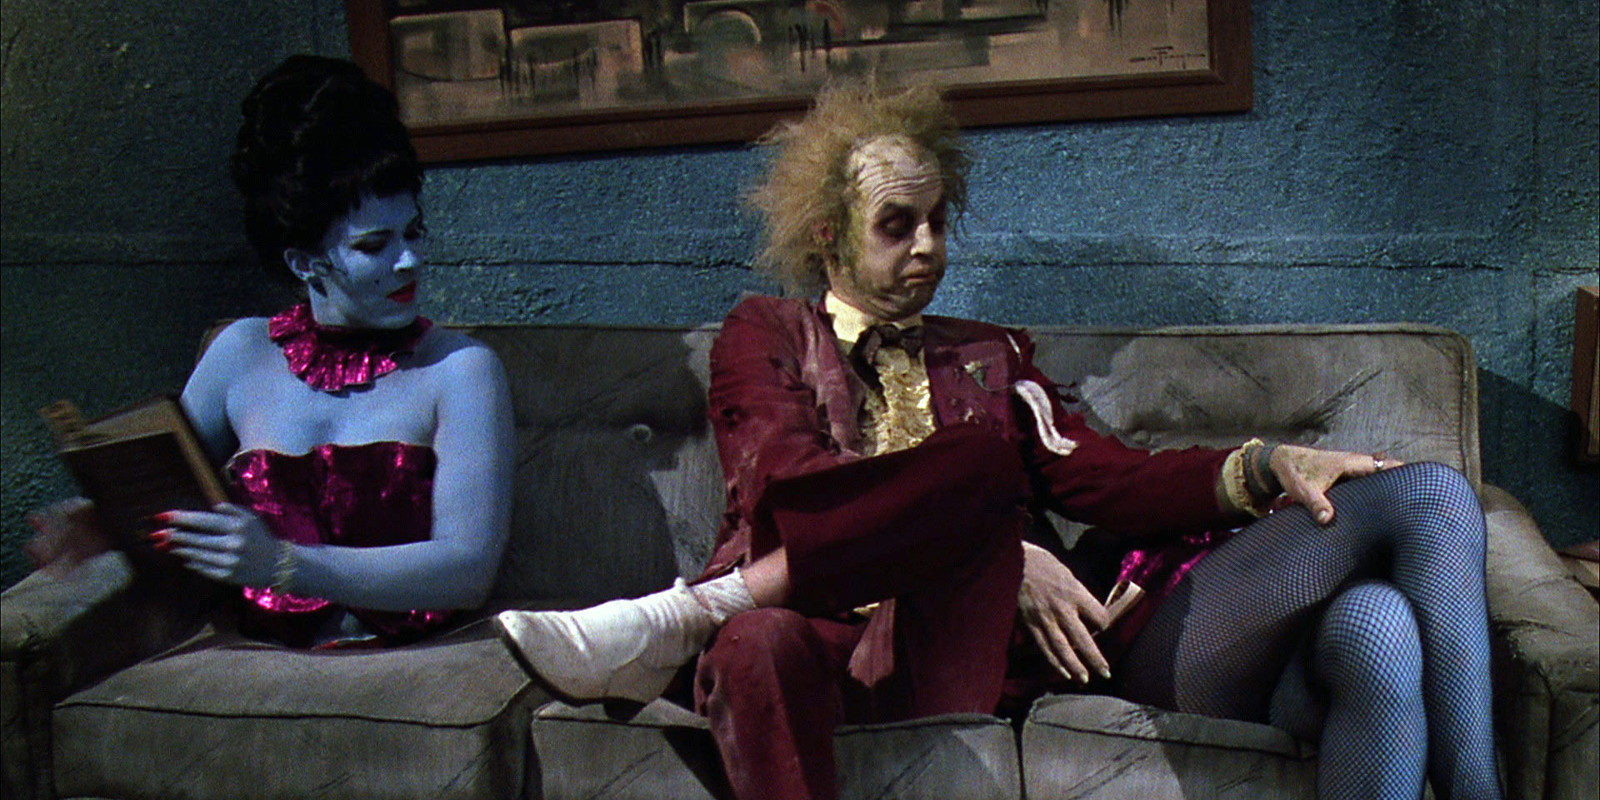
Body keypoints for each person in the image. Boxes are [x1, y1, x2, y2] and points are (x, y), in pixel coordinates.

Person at [494, 85, 1502, 800]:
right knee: (759, 637)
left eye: (939, 220)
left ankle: (1480, 788)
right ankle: (709, 613)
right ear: (828, 236)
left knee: (1399, 567)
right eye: (898, 223)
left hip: (973, 653)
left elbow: (1108, 477)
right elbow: (792, 488)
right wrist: (994, 545)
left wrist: (1263, 464)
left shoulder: (989, 353)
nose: (929, 246)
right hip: (820, 626)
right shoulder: (766, 335)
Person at [26, 55, 514, 648]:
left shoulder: (461, 369)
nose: (409, 261)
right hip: (258, 659)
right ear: (304, 262)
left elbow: (468, 570)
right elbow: (170, 497)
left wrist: (282, 564)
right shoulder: (239, 352)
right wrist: (95, 526)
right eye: (375, 245)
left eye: (413, 232)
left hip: (410, 661)